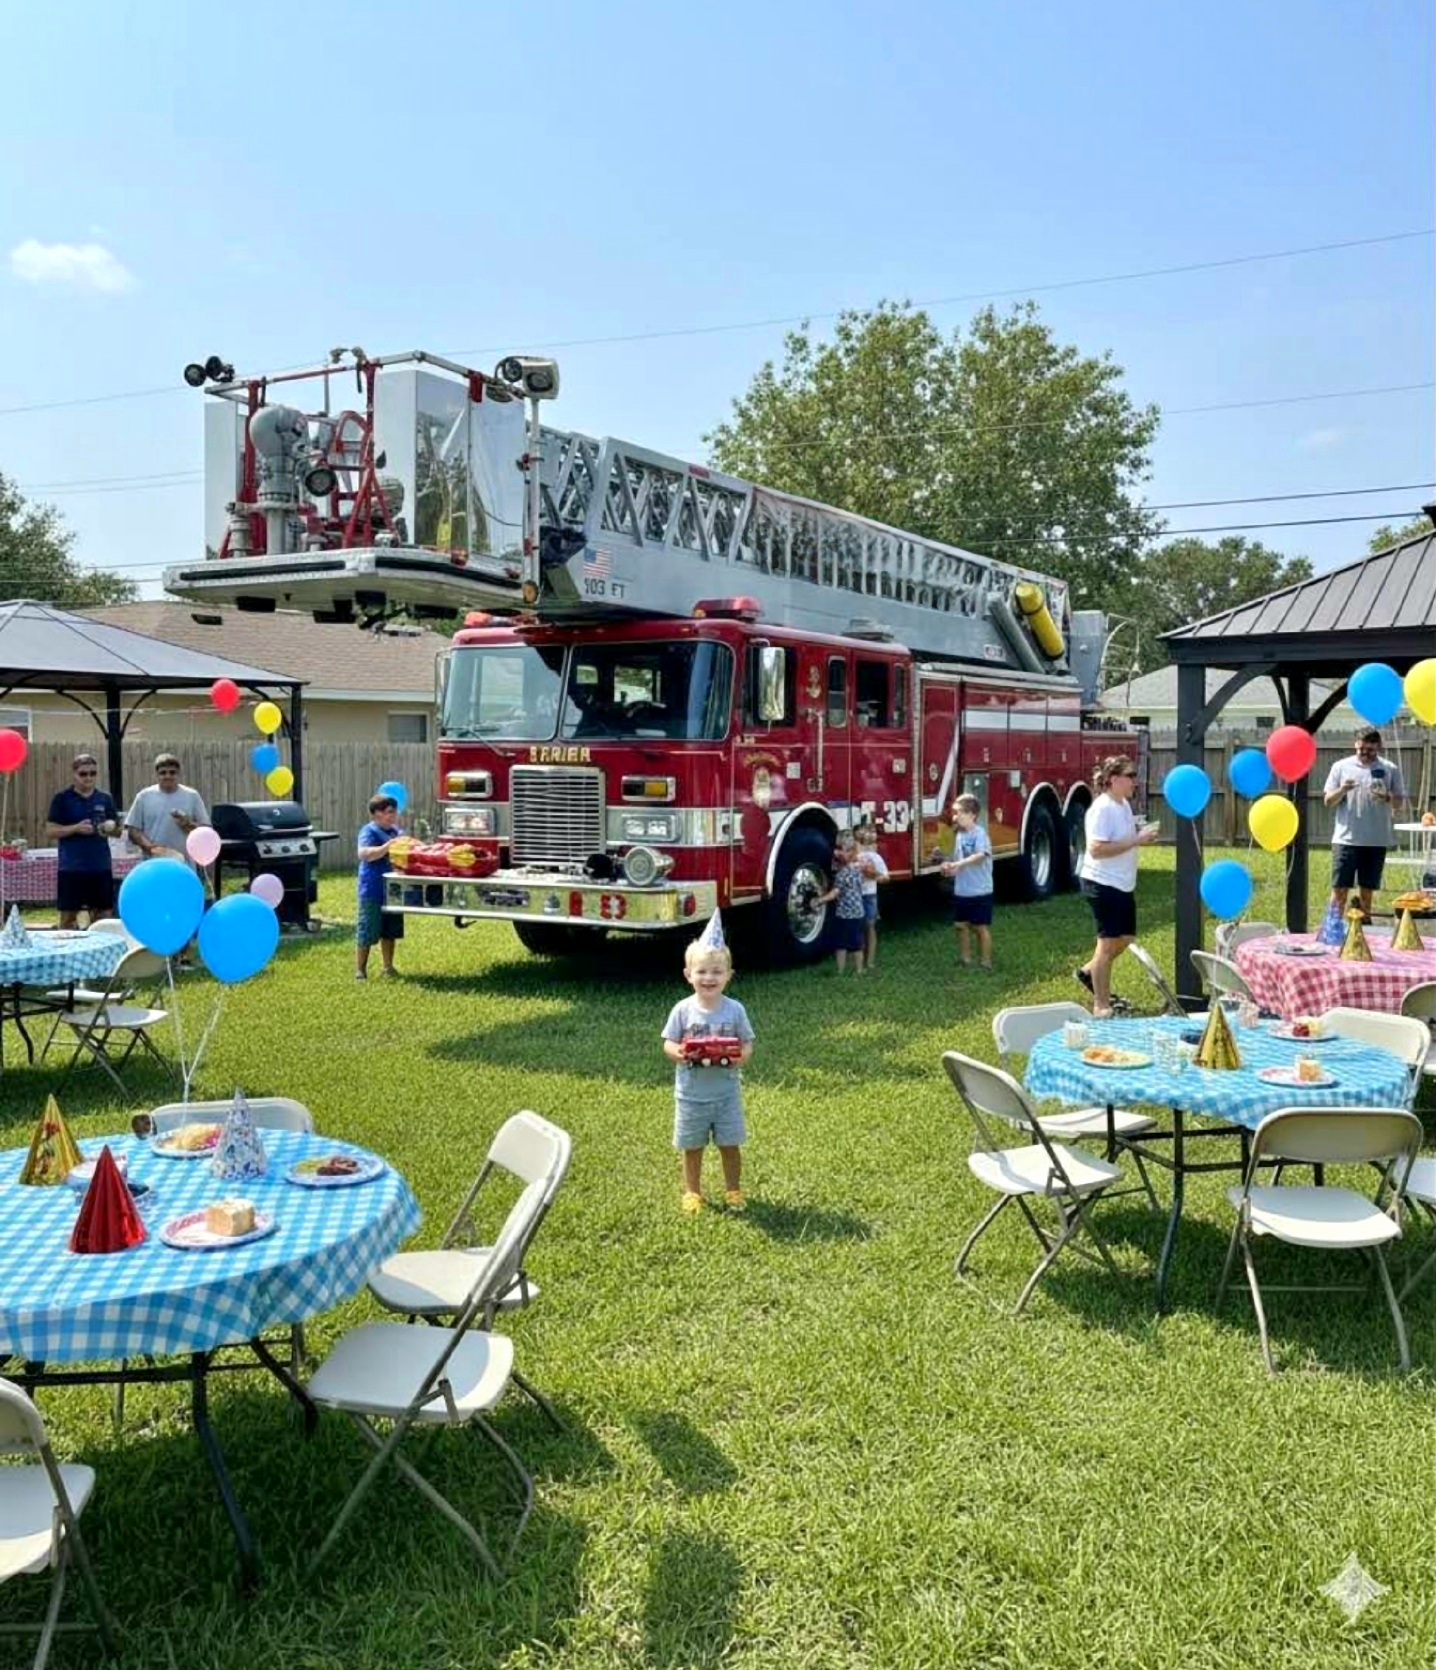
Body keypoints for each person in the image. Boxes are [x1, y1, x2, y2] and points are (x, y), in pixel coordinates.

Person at [660, 913, 755, 1213]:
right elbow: (668, 1043)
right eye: (701, 971)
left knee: (730, 1144)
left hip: (726, 1094)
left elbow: (747, 1042)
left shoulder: (735, 1010)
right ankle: (692, 1192)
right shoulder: (683, 1010)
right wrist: (677, 1052)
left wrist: (742, 1056)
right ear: (688, 974)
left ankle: (733, 1190)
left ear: (729, 975)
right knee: (692, 1147)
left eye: (717, 971)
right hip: (691, 1095)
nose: (709, 978)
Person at [1076, 755, 1160, 1019]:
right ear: (1113, 780)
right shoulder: (1102, 808)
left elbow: (1121, 839)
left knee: (1126, 939)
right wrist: (1136, 840)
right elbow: (1096, 849)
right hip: (1102, 882)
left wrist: (1139, 834)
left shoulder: (1122, 804)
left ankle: (1089, 972)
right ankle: (1101, 1006)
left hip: (1122, 884)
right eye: (1130, 776)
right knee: (1107, 943)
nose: (1136, 781)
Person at [1322, 726, 1409, 920]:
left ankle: (1363, 931)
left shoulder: (1389, 769)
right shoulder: (1341, 767)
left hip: (1375, 840)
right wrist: (1342, 790)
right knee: (1339, 890)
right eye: (1361, 749)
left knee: (1367, 892)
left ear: (1378, 747)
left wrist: (1387, 797)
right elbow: (1328, 801)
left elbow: (1399, 803)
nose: (1364, 753)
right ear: (1355, 745)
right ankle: (1332, 930)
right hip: (1346, 840)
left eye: (1370, 750)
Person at [46, 753, 121, 928]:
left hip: (100, 866)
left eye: (92, 773)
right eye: (83, 774)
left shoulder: (105, 798)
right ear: (74, 774)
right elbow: (50, 831)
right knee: (68, 917)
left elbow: (118, 832)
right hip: (72, 867)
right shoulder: (62, 799)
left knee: (104, 916)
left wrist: (109, 829)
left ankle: (101, 945)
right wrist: (75, 828)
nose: (88, 778)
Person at [937, 793, 994, 970]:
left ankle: (986, 962)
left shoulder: (980, 834)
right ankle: (965, 959)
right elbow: (957, 859)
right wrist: (948, 866)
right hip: (962, 890)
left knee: (980, 927)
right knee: (960, 925)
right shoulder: (959, 835)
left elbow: (980, 856)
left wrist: (958, 864)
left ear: (972, 815)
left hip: (980, 890)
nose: (955, 817)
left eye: (959, 812)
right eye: (955, 812)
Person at [124, 754, 210, 866]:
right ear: (156, 775)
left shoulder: (192, 796)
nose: (168, 776)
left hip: (184, 863)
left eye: (172, 772)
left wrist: (189, 824)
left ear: (178, 774)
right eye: (163, 773)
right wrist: (150, 848)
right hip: (153, 863)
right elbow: (133, 830)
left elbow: (206, 830)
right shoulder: (144, 796)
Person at [356, 792, 406, 979]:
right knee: (367, 930)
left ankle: (388, 968)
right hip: (373, 889)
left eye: (394, 812)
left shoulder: (396, 832)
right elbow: (364, 854)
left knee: (390, 931)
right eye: (389, 812)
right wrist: (388, 846)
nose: (393, 816)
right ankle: (360, 970)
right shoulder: (368, 831)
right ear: (376, 813)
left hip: (393, 890)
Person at [819, 830, 867, 974]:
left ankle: (841, 971)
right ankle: (859, 970)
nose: (838, 853)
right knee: (856, 943)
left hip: (845, 914)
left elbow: (835, 893)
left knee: (842, 944)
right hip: (857, 912)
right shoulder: (859, 869)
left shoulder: (843, 874)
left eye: (842, 850)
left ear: (850, 853)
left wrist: (820, 900)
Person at [853, 821, 889, 970]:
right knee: (857, 928)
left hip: (869, 896)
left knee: (870, 926)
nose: (865, 835)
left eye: (868, 832)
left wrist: (873, 875)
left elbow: (886, 877)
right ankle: (859, 961)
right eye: (861, 832)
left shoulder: (875, 857)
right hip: (855, 895)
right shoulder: (853, 856)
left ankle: (870, 961)